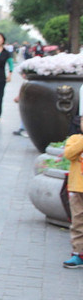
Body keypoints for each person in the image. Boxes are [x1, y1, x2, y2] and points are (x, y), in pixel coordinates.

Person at [62, 113, 83, 268]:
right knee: (78, 221)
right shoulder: (75, 139)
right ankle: (78, 253)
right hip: (77, 188)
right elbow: (69, 154)